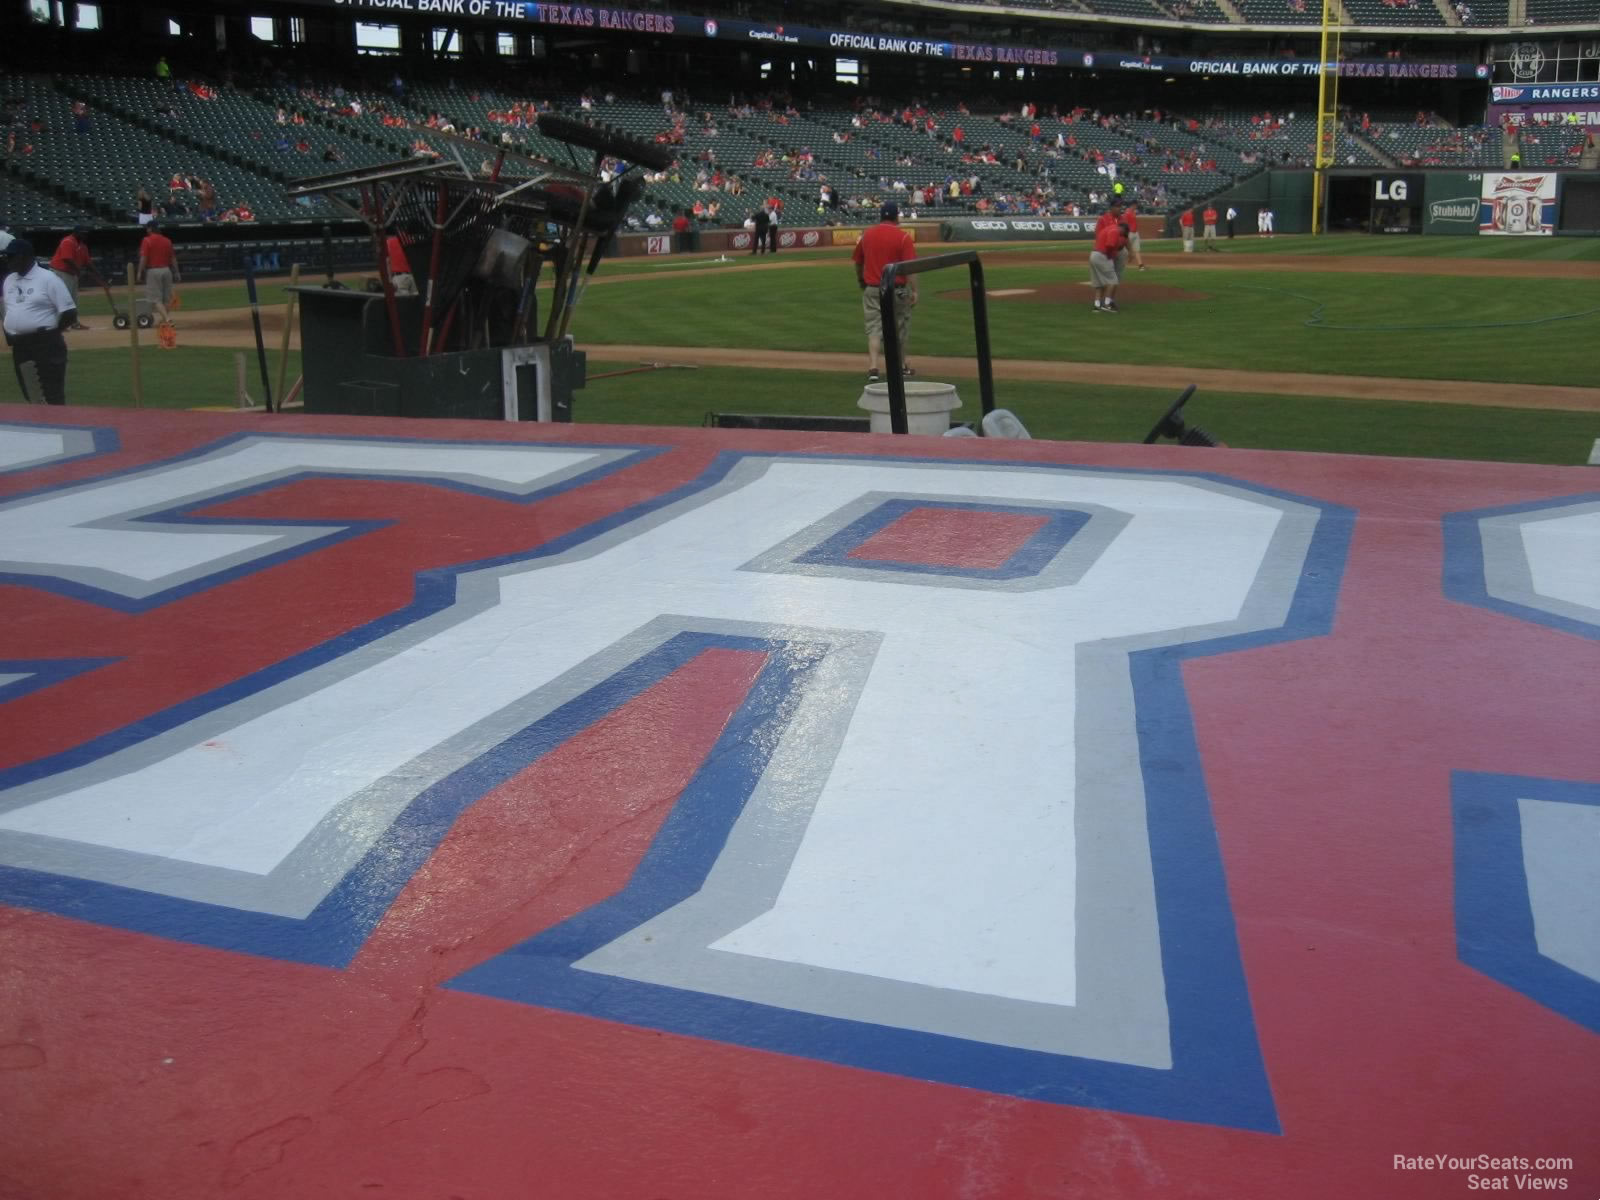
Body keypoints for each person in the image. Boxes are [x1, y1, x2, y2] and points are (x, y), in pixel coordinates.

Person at [3, 239, 77, 405]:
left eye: (12, 257)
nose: (8, 260)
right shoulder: (9, 281)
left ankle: (59, 428)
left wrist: (51, 334)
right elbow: (9, 310)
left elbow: (69, 312)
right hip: (20, 346)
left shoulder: (48, 279)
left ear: (26, 257)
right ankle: (41, 428)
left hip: (45, 343)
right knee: (31, 393)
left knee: (52, 393)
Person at [852, 201, 917, 382]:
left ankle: (873, 367)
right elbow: (909, 268)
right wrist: (915, 290)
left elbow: (858, 262)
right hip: (897, 289)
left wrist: (861, 281)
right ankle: (902, 365)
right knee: (900, 327)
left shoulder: (867, 235)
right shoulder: (903, 237)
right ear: (896, 216)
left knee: (874, 328)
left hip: (873, 288)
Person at [48, 227, 97, 329]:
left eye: (86, 234)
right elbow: (67, 259)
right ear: (76, 233)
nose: (85, 236)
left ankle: (73, 322)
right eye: (82, 233)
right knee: (63, 299)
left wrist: (99, 275)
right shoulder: (68, 241)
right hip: (60, 273)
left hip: (71, 274)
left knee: (73, 300)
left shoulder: (82, 246)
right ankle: (59, 324)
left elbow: (88, 262)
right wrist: (79, 270)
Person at [136, 222, 181, 323]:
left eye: (147, 228)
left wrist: (139, 271)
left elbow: (144, 258)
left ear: (150, 229)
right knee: (167, 299)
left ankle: (167, 319)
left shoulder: (146, 240)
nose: (146, 230)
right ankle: (165, 319)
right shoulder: (167, 240)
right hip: (167, 270)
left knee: (155, 299)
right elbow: (173, 258)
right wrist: (177, 272)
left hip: (153, 271)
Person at [1090, 207, 1128, 313]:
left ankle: (1096, 306)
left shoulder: (1109, 228)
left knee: (1099, 282)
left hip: (1093, 255)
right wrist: (1112, 255)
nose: (1122, 236)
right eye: (1123, 234)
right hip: (1103, 256)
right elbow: (1110, 245)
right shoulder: (1115, 231)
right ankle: (1107, 304)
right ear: (1123, 229)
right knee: (1113, 280)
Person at [385, 229, 416, 296]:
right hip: (413, 276)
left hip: (399, 278)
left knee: (403, 303)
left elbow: (388, 262)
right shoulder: (412, 240)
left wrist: (389, 280)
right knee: (417, 302)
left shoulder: (389, 242)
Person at [1125, 202, 1146, 270]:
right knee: (1123, 249)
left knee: (1137, 250)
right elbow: (1125, 224)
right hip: (1130, 233)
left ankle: (1140, 265)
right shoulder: (1127, 213)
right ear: (1132, 205)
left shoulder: (1133, 212)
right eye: (1136, 205)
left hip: (1135, 232)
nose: (1136, 207)